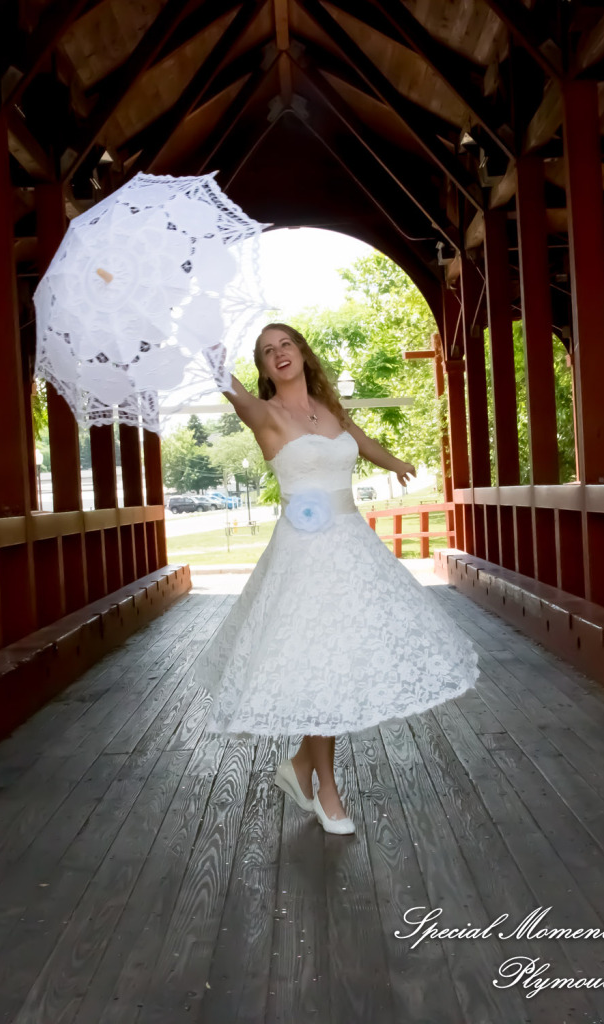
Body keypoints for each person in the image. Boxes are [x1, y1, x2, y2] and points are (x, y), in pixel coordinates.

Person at [193, 323, 479, 835]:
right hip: (303, 557)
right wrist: (205, 339)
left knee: (342, 663)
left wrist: (395, 461)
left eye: (286, 344)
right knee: (318, 664)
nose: (279, 354)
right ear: (261, 368)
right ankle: (326, 790)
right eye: (266, 352)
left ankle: (300, 766)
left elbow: (360, 441)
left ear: (302, 351)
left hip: (351, 548)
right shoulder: (266, 415)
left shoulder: (328, 409)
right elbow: (227, 385)